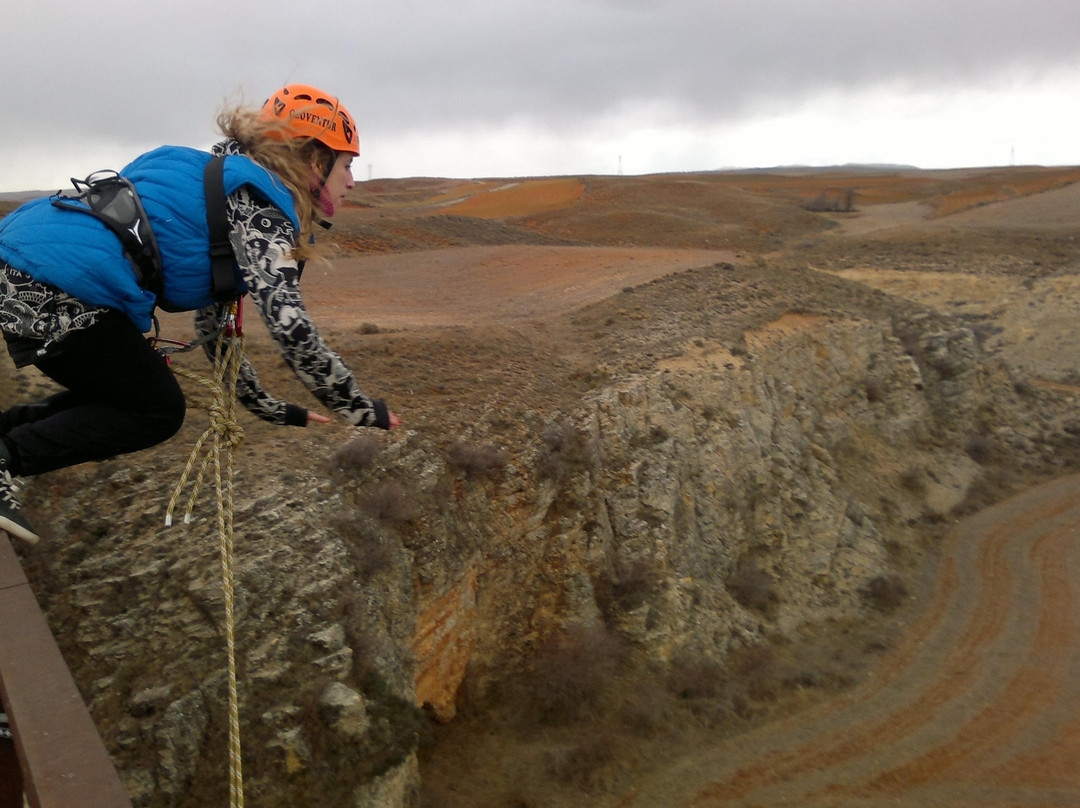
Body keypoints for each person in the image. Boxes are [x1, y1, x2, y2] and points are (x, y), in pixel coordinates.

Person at [0, 84, 401, 545]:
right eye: (347, 165)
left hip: (28, 259)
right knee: (157, 410)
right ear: (315, 159)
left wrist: (273, 410)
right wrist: (356, 407)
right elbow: (291, 326)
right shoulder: (262, 209)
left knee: (130, 388)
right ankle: (6, 457)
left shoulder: (224, 182)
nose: (352, 181)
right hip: (56, 280)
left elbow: (216, 331)